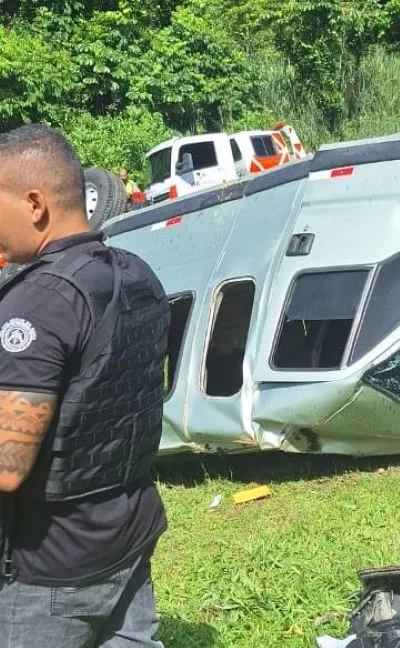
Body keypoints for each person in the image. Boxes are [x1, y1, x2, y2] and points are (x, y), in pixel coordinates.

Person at [0, 124, 170, 647]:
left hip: (49, 570)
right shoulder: (137, 274)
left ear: (34, 204)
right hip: (127, 531)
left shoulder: (39, 302)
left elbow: (7, 468)